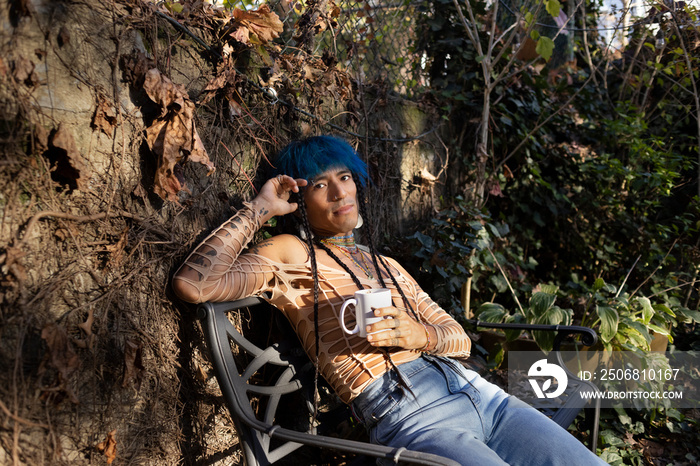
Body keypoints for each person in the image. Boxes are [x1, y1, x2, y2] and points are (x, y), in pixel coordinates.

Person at [173, 136, 607, 465]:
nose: (340, 192)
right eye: (320, 184)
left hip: (483, 396)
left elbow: (460, 341)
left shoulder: (387, 264)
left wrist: (419, 333)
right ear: (300, 200)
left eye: (344, 177)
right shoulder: (292, 254)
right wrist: (261, 208)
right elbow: (195, 284)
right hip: (412, 417)